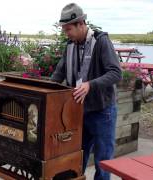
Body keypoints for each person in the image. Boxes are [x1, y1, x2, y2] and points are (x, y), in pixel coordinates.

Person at [51, 3, 122, 180]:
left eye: (69, 29)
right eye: (64, 30)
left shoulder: (102, 41)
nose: (66, 33)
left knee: (103, 161)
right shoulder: (70, 45)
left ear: (81, 23)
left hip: (102, 111)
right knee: (75, 157)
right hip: (78, 111)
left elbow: (116, 73)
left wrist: (90, 85)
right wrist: (46, 90)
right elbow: (59, 72)